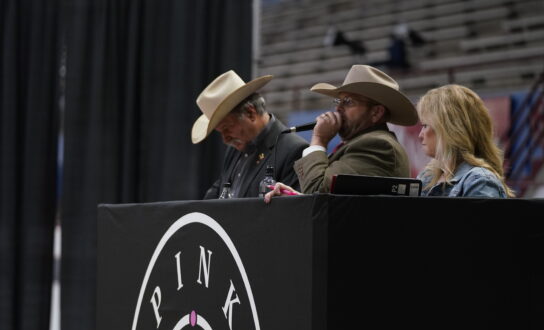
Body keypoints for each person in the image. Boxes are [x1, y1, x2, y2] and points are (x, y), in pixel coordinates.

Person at [264, 64, 417, 201]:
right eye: (339, 101)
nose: (338, 108)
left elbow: (319, 192)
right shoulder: (363, 142)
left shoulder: (377, 145)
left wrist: (319, 139)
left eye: (348, 102)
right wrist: (297, 197)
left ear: (376, 112)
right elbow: (338, 200)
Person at [192, 70, 308, 199]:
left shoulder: (294, 150)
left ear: (250, 113)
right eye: (220, 132)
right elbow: (219, 191)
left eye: (226, 128)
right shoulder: (234, 148)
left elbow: (295, 209)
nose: (225, 138)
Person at [416, 84, 514, 197]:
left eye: (425, 125)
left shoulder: (480, 182)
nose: (420, 135)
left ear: (448, 128)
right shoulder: (427, 177)